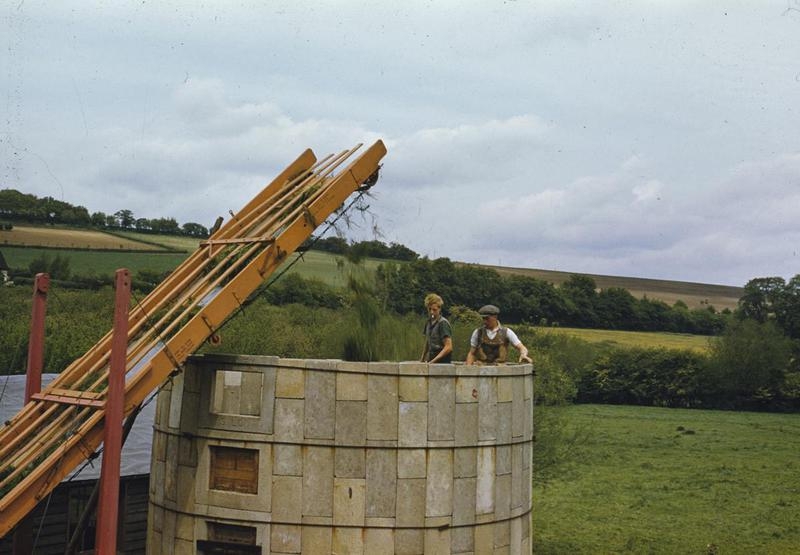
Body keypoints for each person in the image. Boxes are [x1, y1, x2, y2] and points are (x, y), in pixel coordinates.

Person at [466, 304, 532, 365]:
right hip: (481, 368)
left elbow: (521, 347)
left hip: (500, 369)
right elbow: (472, 353)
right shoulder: (478, 332)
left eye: (487, 318)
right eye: (483, 319)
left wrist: (524, 354)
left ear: (495, 317)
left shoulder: (507, 332)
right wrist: (468, 369)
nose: (485, 321)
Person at [420, 293, 453, 363]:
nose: (432, 312)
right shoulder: (428, 322)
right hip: (431, 357)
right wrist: (422, 359)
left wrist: (433, 361)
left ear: (439, 309)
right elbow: (427, 341)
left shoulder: (443, 323)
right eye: (429, 309)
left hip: (442, 360)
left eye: (434, 310)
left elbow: (448, 347)